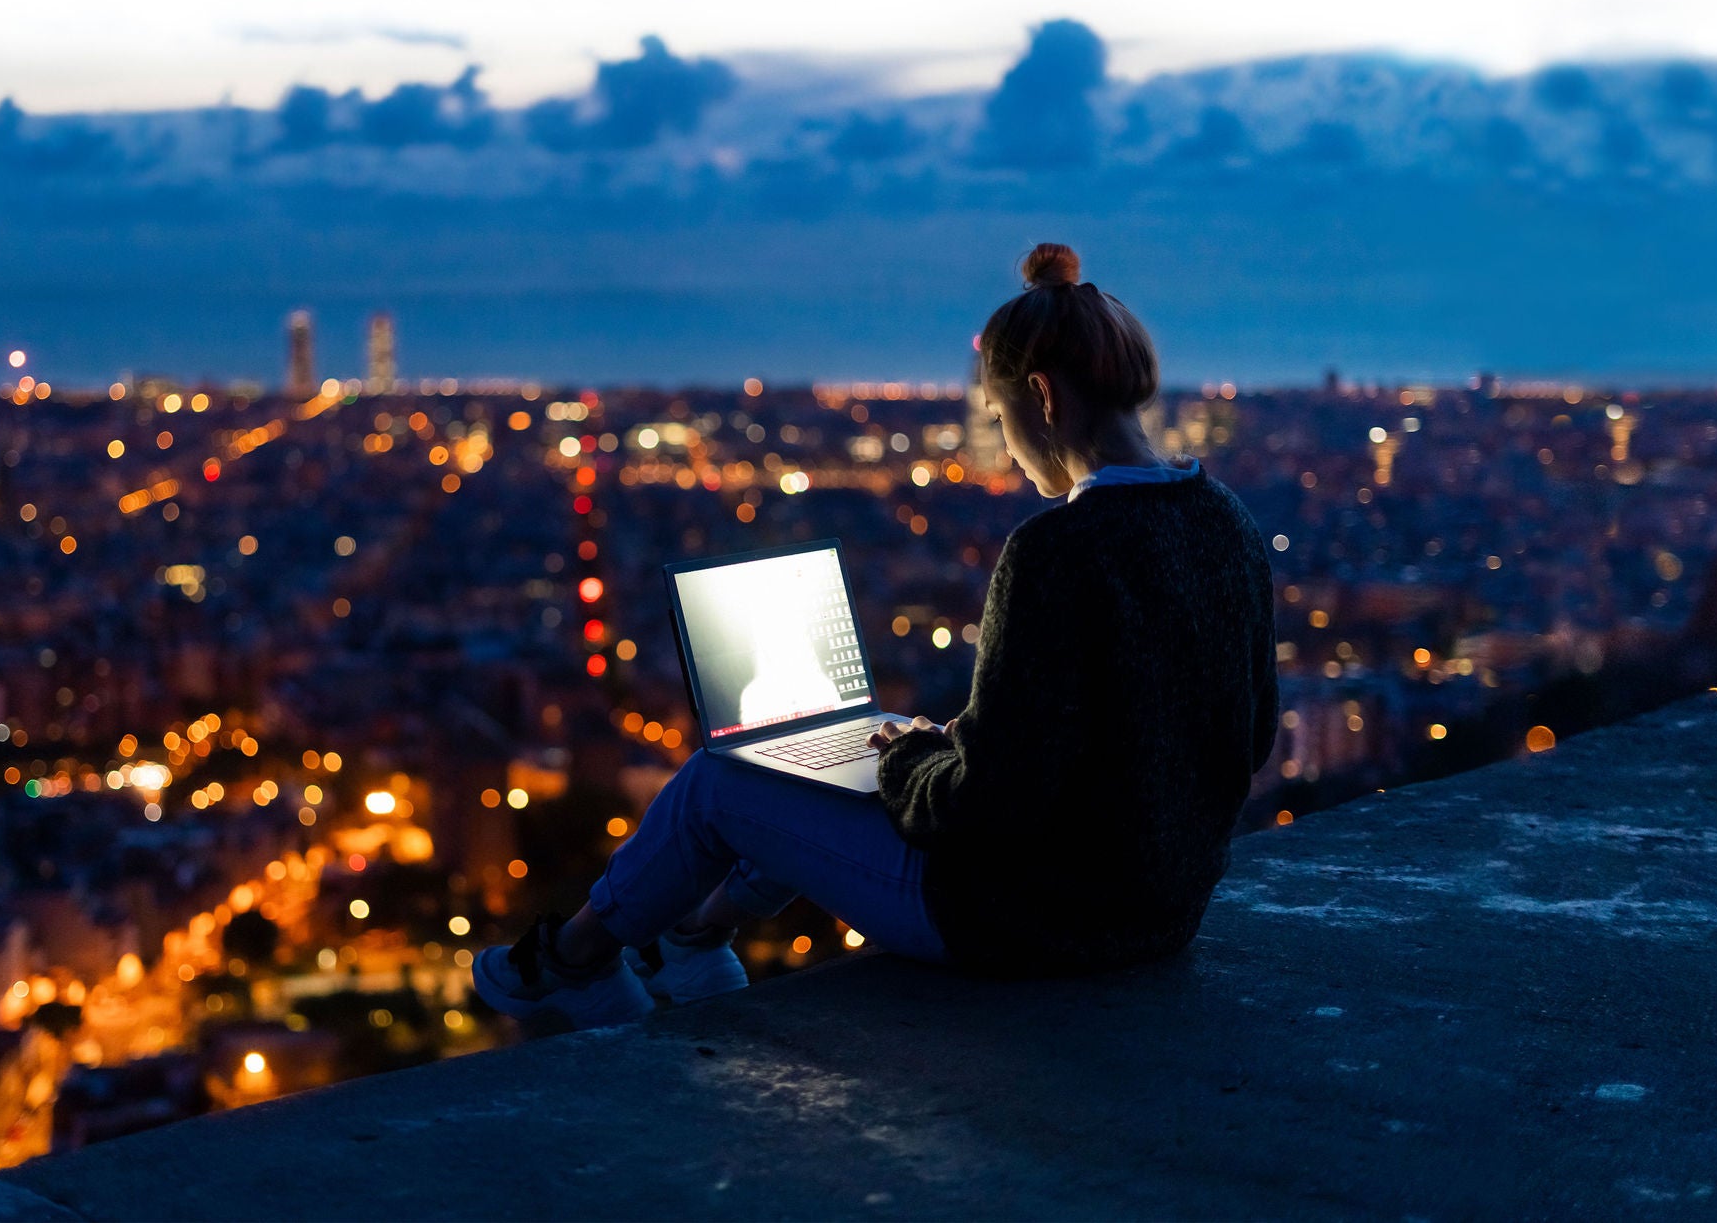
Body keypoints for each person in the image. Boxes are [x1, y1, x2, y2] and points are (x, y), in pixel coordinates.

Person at [473, 242, 1282, 1030]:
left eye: (999, 418)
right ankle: (691, 940)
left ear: (1041, 397)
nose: (1004, 445)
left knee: (723, 781)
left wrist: (908, 761)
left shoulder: (1056, 552)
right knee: (823, 774)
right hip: (1161, 911)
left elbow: (980, 804)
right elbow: (1246, 737)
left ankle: (571, 963)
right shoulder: (1227, 521)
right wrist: (950, 747)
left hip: (1028, 920)